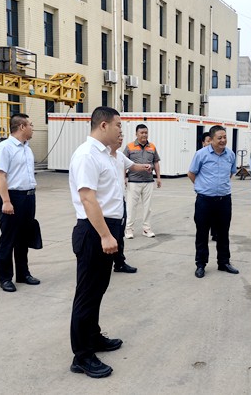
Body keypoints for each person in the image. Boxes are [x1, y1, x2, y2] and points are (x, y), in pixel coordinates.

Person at [69, 107, 151, 378]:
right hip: (94, 230)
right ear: (103, 125)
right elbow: (88, 199)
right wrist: (105, 235)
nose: (121, 131)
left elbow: (124, 171)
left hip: (107, 228)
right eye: (118, 125)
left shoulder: (108, 155)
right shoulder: (87, 155)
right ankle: (82, 356)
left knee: (98, 290)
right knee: (87, 294)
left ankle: (93, 337)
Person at [0, 114, 40, 292]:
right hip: (12, 197)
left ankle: (23, 273)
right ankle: (5, 278)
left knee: (23, 237)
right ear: (21, 127)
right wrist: (6, 201)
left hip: (28, 197)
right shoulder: (5, 148)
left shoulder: (27, 148)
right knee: (8, 238)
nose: (33, 128)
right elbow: (0, 176)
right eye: (31, 124)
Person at [188, 125, 239, 278]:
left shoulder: (230, 154)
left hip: (224, 200)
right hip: (204, 201)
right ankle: (201, 264)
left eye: (225, 137)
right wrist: (203, 187)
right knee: (202, 233)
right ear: (211, 139)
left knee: (223, 232)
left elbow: (231, 173)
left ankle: (224, 262)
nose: (223, 140)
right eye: (219, 138)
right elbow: (191, 173)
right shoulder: (201, 154)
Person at [111, 133, 151, 274]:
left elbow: (133, 166)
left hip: (119, 202)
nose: (121, 138)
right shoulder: (102, 156)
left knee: (119, 236)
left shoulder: (120, 156)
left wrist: (145, 166)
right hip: (107, 206)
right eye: (118, 136)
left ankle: (119, 263)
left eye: (122, 136)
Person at [123, 124, 161, 239]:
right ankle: (129, 229)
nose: (144, 135)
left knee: (148, 207)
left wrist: (158, 177)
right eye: (142, 133)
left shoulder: (152, 147)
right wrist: (124, 177)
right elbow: (123, 163)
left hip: (148, 181)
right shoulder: (130, 147)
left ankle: (146, 229)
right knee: (131, 207)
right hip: (133, 182)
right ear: (136, 134)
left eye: (146, 132)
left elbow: (156, 162)